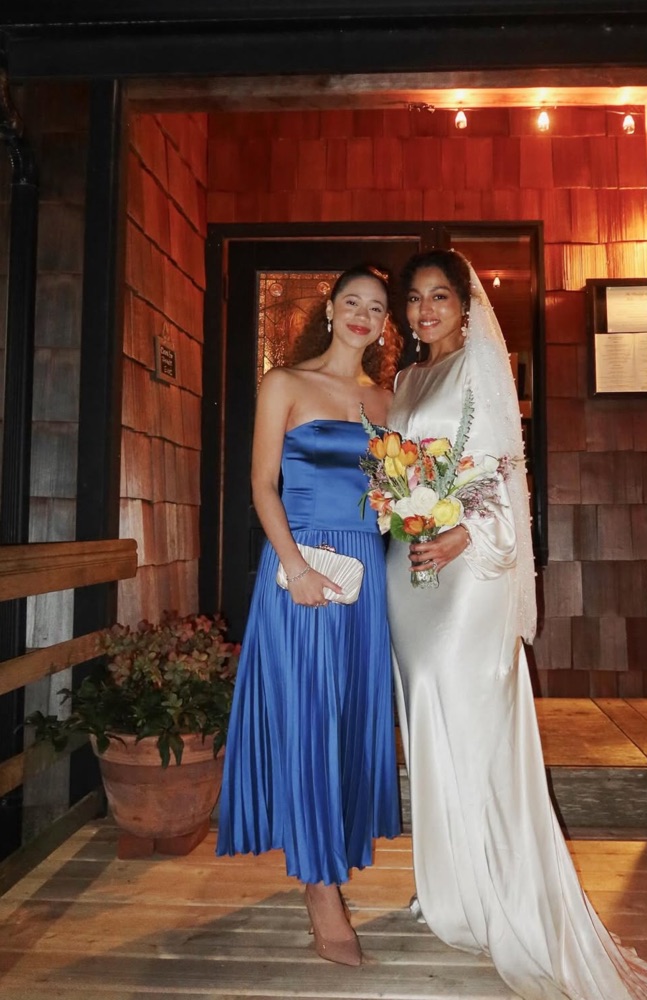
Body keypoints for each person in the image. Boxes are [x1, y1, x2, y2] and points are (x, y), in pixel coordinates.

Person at [386, 249, 647, 1000]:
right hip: (409, 567)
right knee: (425, 710)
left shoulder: (480, 367)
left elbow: (506, 471)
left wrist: (463, 532)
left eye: (439, 296)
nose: (425, 310)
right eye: (414, 299)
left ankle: (500, 887)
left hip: (469, 564)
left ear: (465, 307)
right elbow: (398, 464)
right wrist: (397, 503)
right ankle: (450, 884)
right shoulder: (404, 380)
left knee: (471, 713)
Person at [216, 264, 402, 968]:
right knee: (309, 716)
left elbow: (393, 494)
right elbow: (261, 484)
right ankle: (321, 889)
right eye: (352, 301)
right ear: (329, 309)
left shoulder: (387, 399)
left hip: (365, 577)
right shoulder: (285, 383)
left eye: (376, 308)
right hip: (300, 569)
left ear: (385, 325)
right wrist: (295, 568)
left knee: (347, 715)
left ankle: (332, 851)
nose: (362, 315)